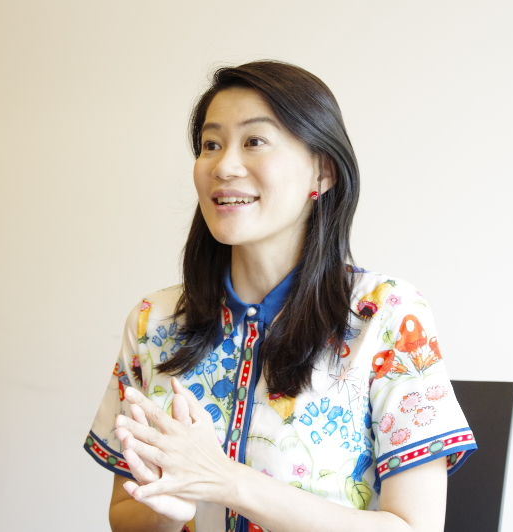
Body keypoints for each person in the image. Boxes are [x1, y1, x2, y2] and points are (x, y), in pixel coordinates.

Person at [84, 61, 477, 532]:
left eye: (254, 141)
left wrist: (228, 481)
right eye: (211, 145)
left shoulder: (386, 314)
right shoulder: (154, 321)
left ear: (323, 171)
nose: (224, 166)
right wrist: (168, 507)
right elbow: (124, 516)